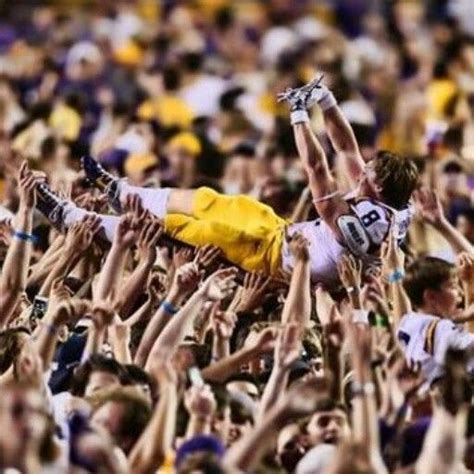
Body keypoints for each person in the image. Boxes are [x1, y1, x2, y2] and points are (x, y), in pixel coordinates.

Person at [35, 78, 419, 286]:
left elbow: (319, 172)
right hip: (281, 232)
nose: (362, 169)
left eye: (370, 173)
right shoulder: (386, 204)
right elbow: (346, 149)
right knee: (209, 200)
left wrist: (299, 115)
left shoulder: (366, 225)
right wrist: (326, 100)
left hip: (275, 258)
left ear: (380, 189)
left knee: (189, 227)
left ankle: (72, 218)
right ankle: (124, 191)